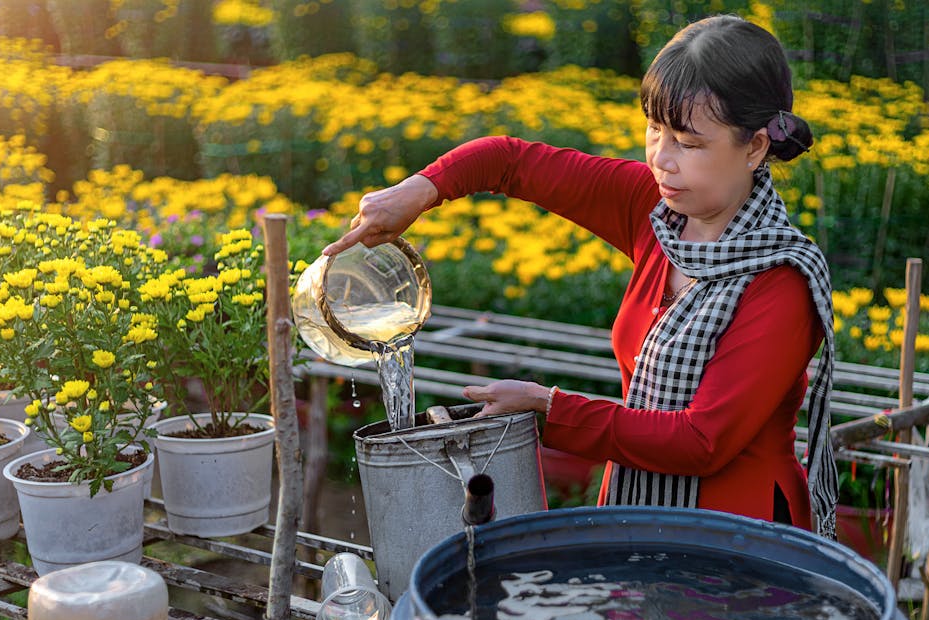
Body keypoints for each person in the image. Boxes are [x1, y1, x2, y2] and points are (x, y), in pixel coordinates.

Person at [322, 15, 838, 538]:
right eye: (655, 130)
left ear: (753, 147)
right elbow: (511, 163)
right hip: (639, 511)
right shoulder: (656, 211)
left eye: (688, 142)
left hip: (737, 541)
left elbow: (700, 441)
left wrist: (550, 408)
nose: (662, 158)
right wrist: (419, 190)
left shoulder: (780, 280)